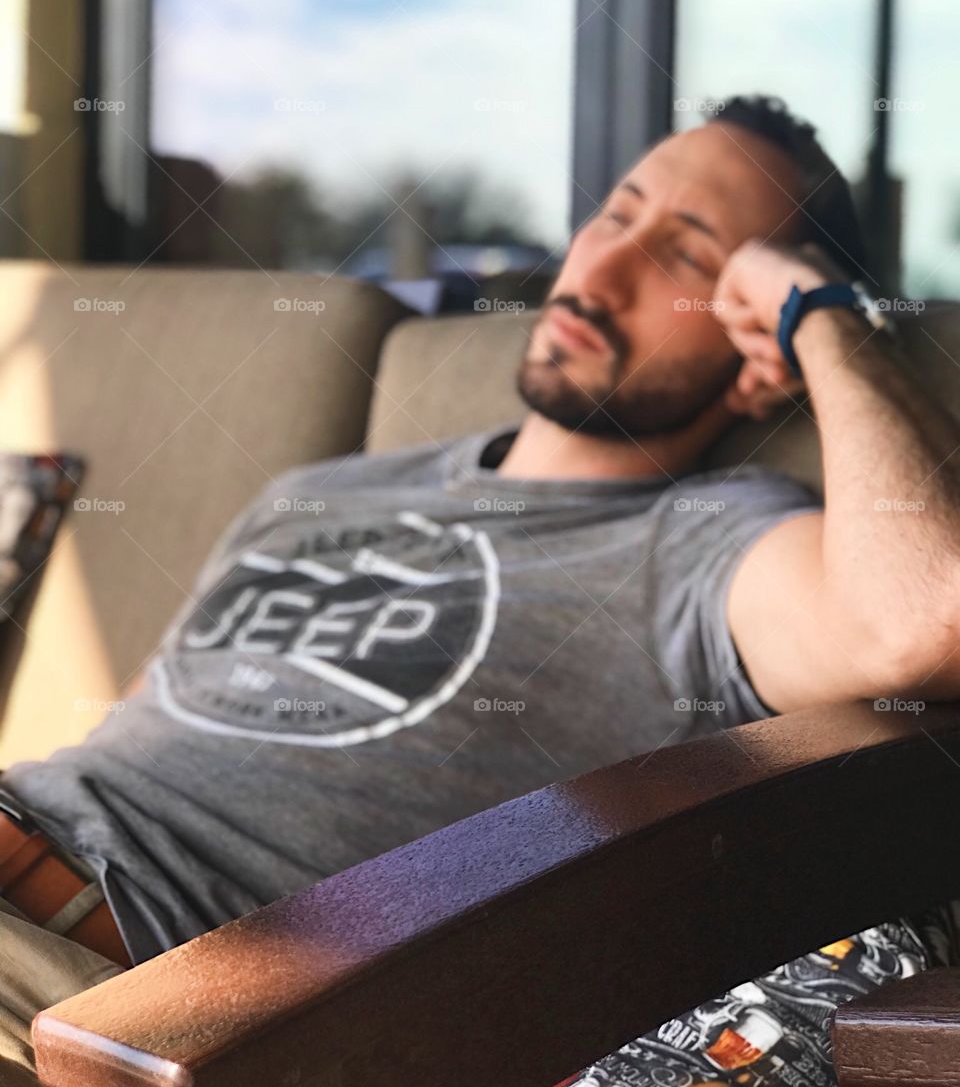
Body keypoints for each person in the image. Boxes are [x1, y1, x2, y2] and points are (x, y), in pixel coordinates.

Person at [2, 95, 959, 1085]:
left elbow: (928, 613)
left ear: (759, 355)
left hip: (100, 989)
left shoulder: (708, 541)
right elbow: (128, 743)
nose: (602, 268)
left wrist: (824, 317)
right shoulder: (317, 493)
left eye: (687, 255)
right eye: (616, 215)